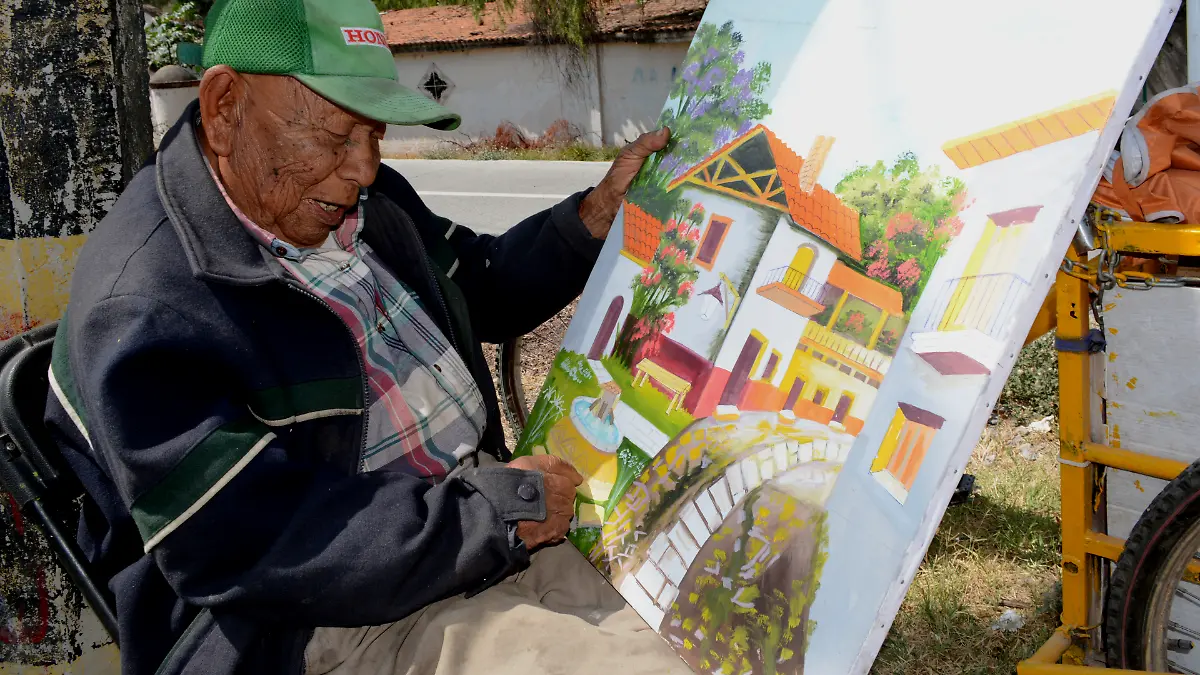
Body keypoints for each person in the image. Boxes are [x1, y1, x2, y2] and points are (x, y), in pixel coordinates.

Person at [44, 1, 688, 673]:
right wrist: (486, 513)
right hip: (321, 616)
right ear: (225, 105)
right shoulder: (147, 303)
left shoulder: (361, 202)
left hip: (469, 525)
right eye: (337, 135)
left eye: (375, 133)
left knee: (712, 619)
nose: (366, 167)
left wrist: (597, 214)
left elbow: (480, 284)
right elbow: (251, 541)